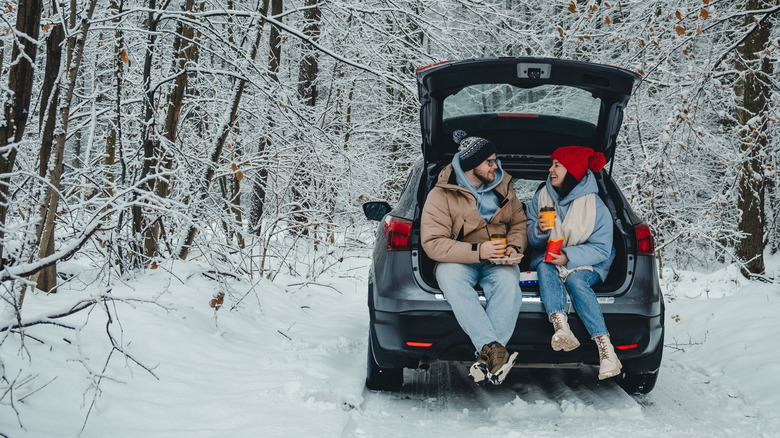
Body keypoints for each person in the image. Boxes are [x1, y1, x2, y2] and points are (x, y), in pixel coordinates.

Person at [421, 130, 528, 386]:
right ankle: (494, 352)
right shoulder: (441, 195)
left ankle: (488, 358)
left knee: (508, 285)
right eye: (489, 161)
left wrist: (513, 247)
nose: (495, 166)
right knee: (452, 280)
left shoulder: (504, 189)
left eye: (495, 160)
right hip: (458, 259)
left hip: (498, 261)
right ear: (471, 165)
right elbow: (433, 243)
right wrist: (478, 252)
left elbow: (519, 223)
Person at [526, 145, 621, 380]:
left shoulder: (596, 206)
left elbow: (601, 248)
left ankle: (606, 351)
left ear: (573, 170)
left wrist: (569, 256)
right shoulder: (542, 197)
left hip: (589, 263)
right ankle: (561, 328)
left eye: (557, 165)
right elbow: (530, 238)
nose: (551, 169)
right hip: (550, 258)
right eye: (552, 164)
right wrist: (538, 229)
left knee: (577, 281)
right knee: (545, 266)